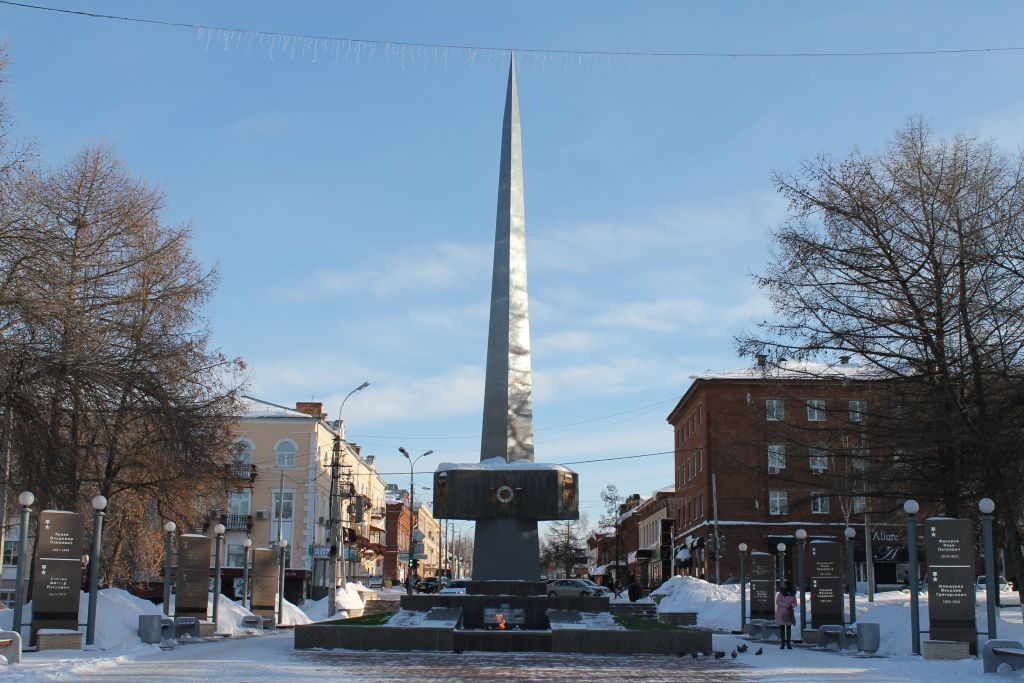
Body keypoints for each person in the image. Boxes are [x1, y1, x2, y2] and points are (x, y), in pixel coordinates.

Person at [775, 580, 797, 649]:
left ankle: (786, 644)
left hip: (787, 612)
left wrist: (790, 605)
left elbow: (795, 603)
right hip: (784, 612)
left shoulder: (791, 594)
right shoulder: (783, 593)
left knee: (786, 628)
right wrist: (787, 605)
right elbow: (777, 601)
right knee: (785, 628)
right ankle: (785, 644)